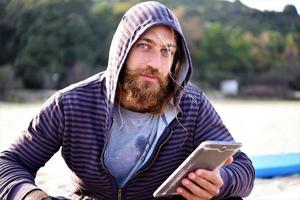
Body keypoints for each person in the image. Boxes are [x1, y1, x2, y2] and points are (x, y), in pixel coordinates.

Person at [0, 1, 255, 200]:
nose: (156, 63)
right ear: (123, 48)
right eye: (145, 45)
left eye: (167, 51)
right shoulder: (71, 105)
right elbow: (9, 163)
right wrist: (33, 196)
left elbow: (244, 168)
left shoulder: (192, 105)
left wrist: (222, 181)